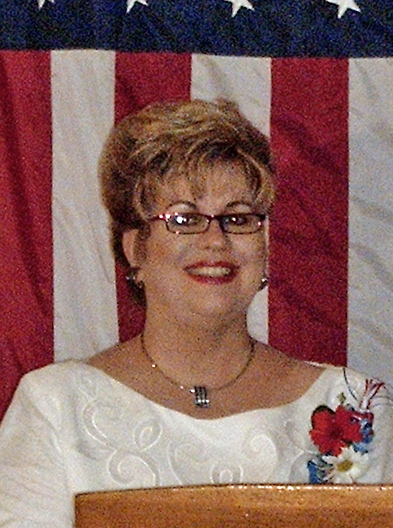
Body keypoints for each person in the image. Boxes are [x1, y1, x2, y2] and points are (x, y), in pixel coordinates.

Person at [0, 99, 392, 527]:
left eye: (238, 218)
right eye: (185, 220)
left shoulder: (356, 405)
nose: (216, 240)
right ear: (136, 249)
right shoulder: (55, 407)